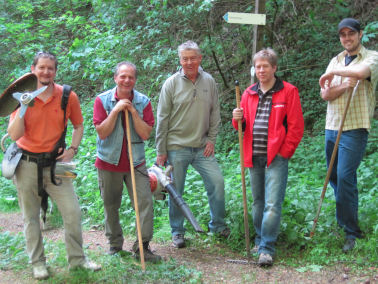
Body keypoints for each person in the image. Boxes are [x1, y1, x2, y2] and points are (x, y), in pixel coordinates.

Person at [7, 52, 101, 280]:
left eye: (50, 68)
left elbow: (79, 125)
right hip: (26, 163)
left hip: (57, 164)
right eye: (41, 68)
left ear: (55, 71)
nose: (46, 72)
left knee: (73, 212)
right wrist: (24, 106)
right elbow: (14, 135)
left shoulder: (67, 96)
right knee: (30, 217)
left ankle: (78, 260)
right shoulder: (20, 97)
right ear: (33, 69)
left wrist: (73, 149)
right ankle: (38, 263)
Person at [232, 48, 304, 266]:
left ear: (274, 68)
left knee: (272, 204)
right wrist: (237, 119)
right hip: (254, 155)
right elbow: (241, 127)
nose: (261, 70)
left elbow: (296, 127)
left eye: (265, 66)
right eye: (258, 66)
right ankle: (259, 238)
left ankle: (267, 248)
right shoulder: (248, 93)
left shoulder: (288, 91)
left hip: (276, 157)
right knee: (257, 203)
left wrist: (284, 152)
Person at [156, 40, 229, 248]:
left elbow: (215, 112)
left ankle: (218, 225)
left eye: (192, 58)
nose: (189, 62)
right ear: (180, 60)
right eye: (185, 58)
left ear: (200, 59)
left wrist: (212, 139)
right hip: (176, 146)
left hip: (201, 147)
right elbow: (162, 119)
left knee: (217, 182)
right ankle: (178, 232)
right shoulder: (171, 83)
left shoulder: (209, 81)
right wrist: (161, 151)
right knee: (175, 190)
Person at [319, 18, 378, 252]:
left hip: (355, 127)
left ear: (360, 34)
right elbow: (325, 94)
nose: (347, 38)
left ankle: (352, 232)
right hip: (332, 125)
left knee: (345, 177)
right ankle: (344, 222)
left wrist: (335, 74)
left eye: (351, 33)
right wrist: (344, 85)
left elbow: (362, 72)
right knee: (334, 178)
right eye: (342, 34)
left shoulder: (372, 57)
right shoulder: (336, 60)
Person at [93, 61, 161, 262]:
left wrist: (132, 111)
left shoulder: (143, 101)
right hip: (108, 162)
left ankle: (143, 247)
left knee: (145, 203)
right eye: (122, 76)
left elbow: (146, 133)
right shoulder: (102, 100)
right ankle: (115, 245)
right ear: (115, 78)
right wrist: (115, 111)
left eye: (130, 77)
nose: (126, 80)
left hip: (136, 162)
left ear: (135, 80)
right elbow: (102, 132)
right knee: (111, 205)